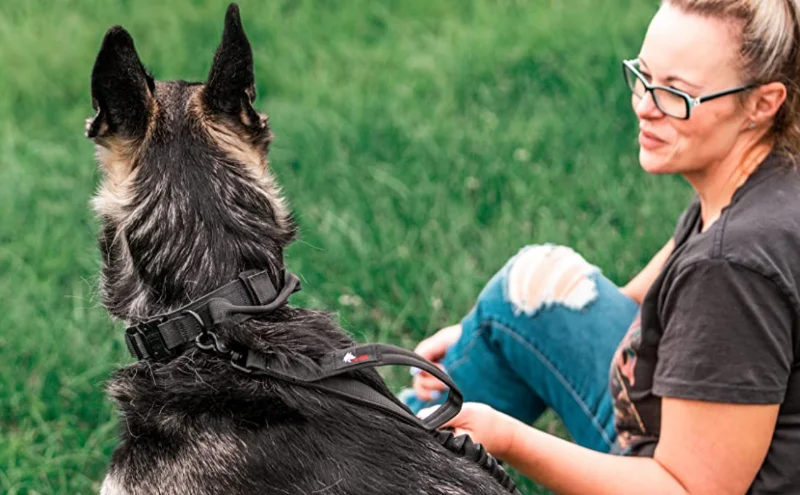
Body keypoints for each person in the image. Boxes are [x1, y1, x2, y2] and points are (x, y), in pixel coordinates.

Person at [401, 1, 800, 493]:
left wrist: (504, 436)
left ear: (764, 102)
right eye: (644, 76)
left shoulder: (732, 266)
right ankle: (385, 434)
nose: (644, 106)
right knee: (534, 285)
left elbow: (689, 490)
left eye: (676, 94)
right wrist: (491, 331)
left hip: (678, 476)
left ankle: (366, 456)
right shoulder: (766, 184)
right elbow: (641, 303)